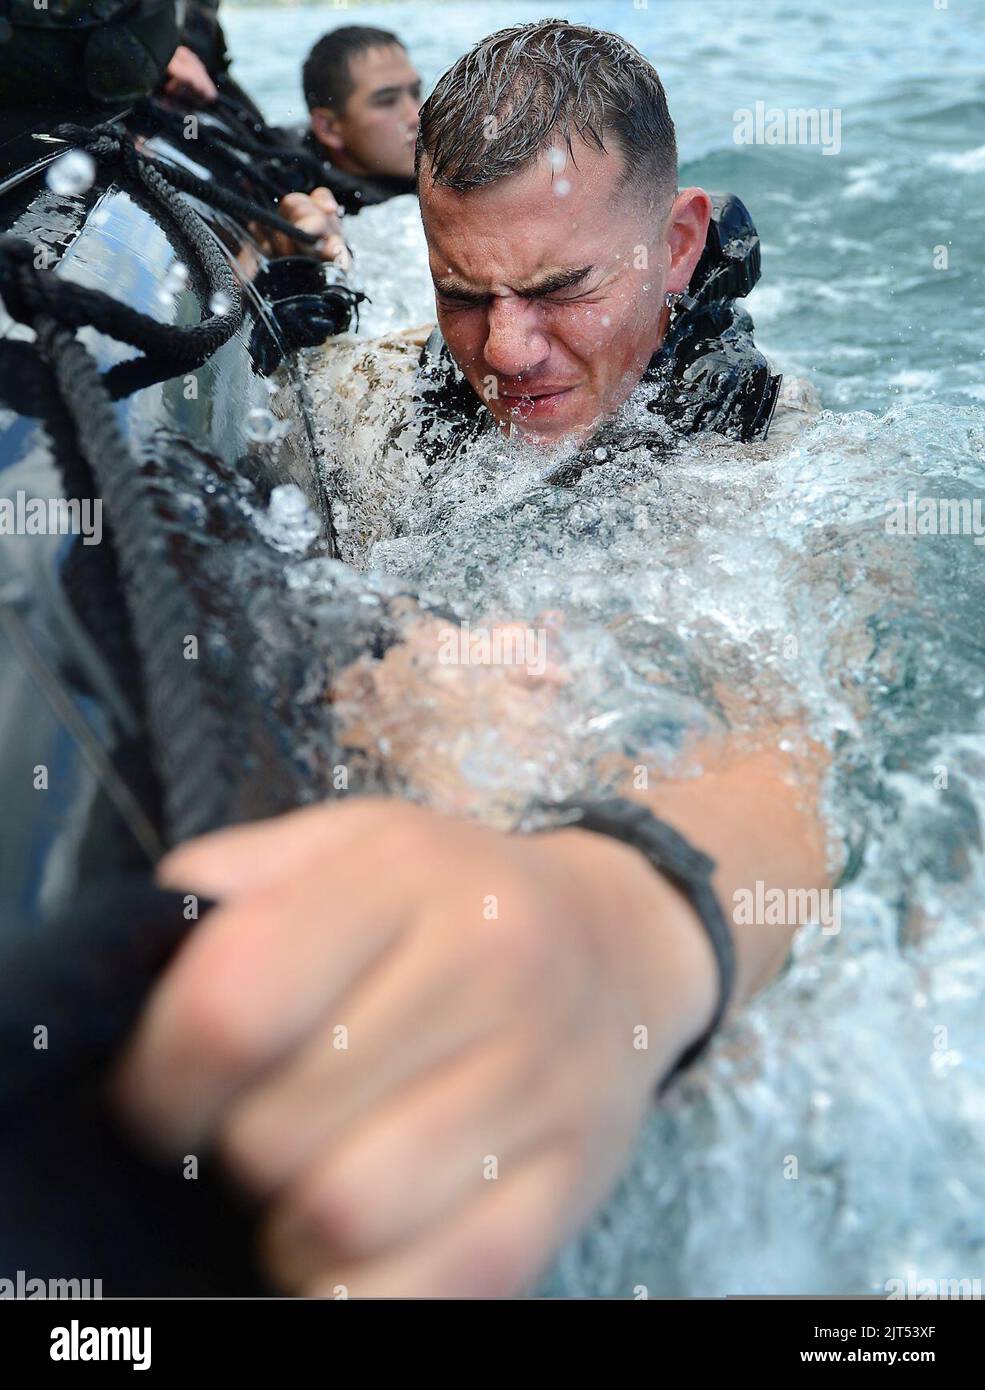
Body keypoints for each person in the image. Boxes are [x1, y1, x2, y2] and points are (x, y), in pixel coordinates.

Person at [110, 21, 833, 1298]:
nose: (505, 352)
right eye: (463, 291)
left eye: (560, 292)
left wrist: (614, 925)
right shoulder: (382, 398)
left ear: (675, 246)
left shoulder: (776, 462)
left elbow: (799, 771)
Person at [298, 25, 422, 213]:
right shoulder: (328, 215)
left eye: (416, 93)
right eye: (387, 101)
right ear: (329, 128)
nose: (417, 116)